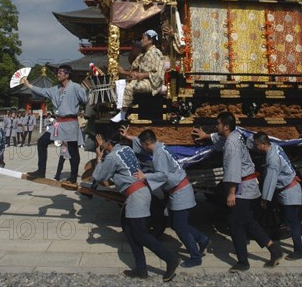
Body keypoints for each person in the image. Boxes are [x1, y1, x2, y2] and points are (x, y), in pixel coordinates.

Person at [193, 112, 282, 273]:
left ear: (226, 127)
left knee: (235, 223)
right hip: (246, 186)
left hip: (242, 189)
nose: (216, 126)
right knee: (247, 221)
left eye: (218, 124)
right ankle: (273, 249)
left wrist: (231, 193)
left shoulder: (232, 145)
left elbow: (233, 170)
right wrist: (207, 136)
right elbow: (220, 140)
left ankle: (243, 261)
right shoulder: (235, 135)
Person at [92, 129, 180, 281]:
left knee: (140, 234)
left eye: (103, 142)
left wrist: (99, 158)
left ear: (107, 143)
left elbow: (99, 176)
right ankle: (141, 268)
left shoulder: (112, 157)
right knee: (128, 229)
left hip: (136, 195)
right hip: (140, 191)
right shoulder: (126, 148)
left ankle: (170, 258)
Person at [124, 127, 210, 268]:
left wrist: (145, 176)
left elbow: (162, 175)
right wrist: (129, 137)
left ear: (146, 144)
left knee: (180, 227)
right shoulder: (161, 145)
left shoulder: (159, 155)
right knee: (178, 222)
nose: (142, 148)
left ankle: (195, 256)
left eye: (142, 145)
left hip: (180, 191)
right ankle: (202, 239)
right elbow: (142, 141)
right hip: (180, 189)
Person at [253, 132, 302, 260]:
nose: (256, 147)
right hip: (289, 189)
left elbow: (270, 181)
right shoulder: (275, 147)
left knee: (292, 224)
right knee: (290, 220)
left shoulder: (272, 159)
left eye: (257, 145)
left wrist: (265, 199)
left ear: (264, 144)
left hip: (290, 193)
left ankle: (298, 251)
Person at [23, 64, 88, 184]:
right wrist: (28, 85)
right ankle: (41, 170)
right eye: (57, 72)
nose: (58, 74)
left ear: (67, 74)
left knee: (73, 150)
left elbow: (85, 99)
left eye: (60, 72)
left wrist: (86, 89)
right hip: (58, 123)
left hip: (70, 123)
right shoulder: (55, 89)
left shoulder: (75, 87)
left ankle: (73, 178)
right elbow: (42, 91)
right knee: (42, 141)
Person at [111, 30, 165, 123]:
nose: (141, 40)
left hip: (151, 83)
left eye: (143, 38)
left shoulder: (157, 53)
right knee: (120, 84)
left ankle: (122, 114)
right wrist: (124, 71)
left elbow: (159, 73)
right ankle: (122, 110)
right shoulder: (142, 55)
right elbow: (134, 68)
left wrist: (144, 75)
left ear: (150, 40)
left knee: (129, 87)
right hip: (141, 80)